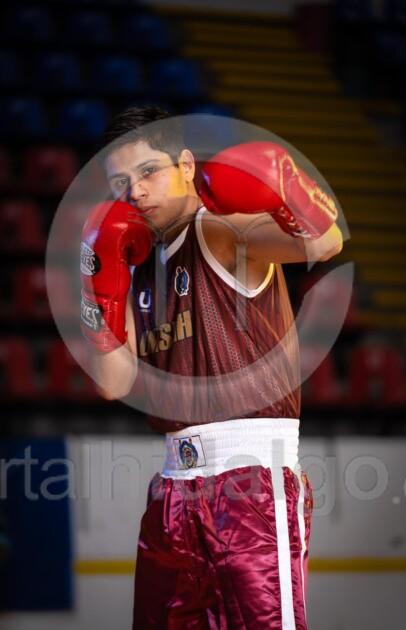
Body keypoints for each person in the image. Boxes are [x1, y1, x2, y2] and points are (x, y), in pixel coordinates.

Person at [80, 106, 343, 629]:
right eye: (121, 183)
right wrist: (99, 290)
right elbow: (114, 382)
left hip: (249, 482)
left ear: (184, 164)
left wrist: (291, 191)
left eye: (148, 171)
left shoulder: (222, 230)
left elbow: (324, 243)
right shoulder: (137, 264)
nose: (136, 192)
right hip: (172, 488)